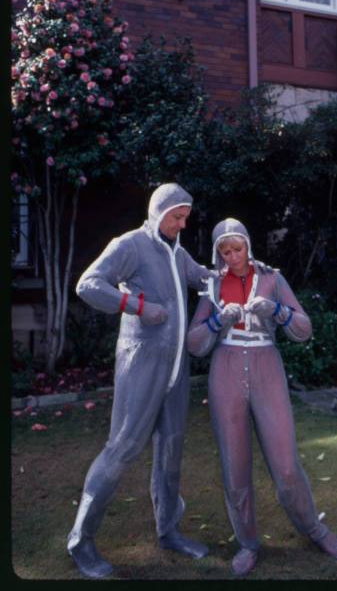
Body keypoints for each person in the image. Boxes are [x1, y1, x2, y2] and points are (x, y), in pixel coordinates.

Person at [186, 217, 337, 577]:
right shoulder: (212, 284)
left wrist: (275, 310)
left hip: (267, 367)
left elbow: (303, 329)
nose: (232, 256)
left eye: (237, 248)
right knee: (234, 466)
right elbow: (194, 344)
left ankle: (315, 529)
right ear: (217, 253)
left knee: (287, 464)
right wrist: (216, 322)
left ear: (248, 245)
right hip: (226, 369)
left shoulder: (273, 278)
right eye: (224, 251)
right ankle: (247, 543)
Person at [67, 183, 214, 578]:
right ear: (157, 211)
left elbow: (206, 280)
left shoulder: (177, 253)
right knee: (123, 447)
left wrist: (245, 271)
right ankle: (81, 541)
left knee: (171, 448)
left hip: (176, 367)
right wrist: (136, 305)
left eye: (185, 217)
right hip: (141, 362)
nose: (181, 223)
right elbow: (88, 284)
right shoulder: (130, 244)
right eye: (176, 216)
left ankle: (168, 530)